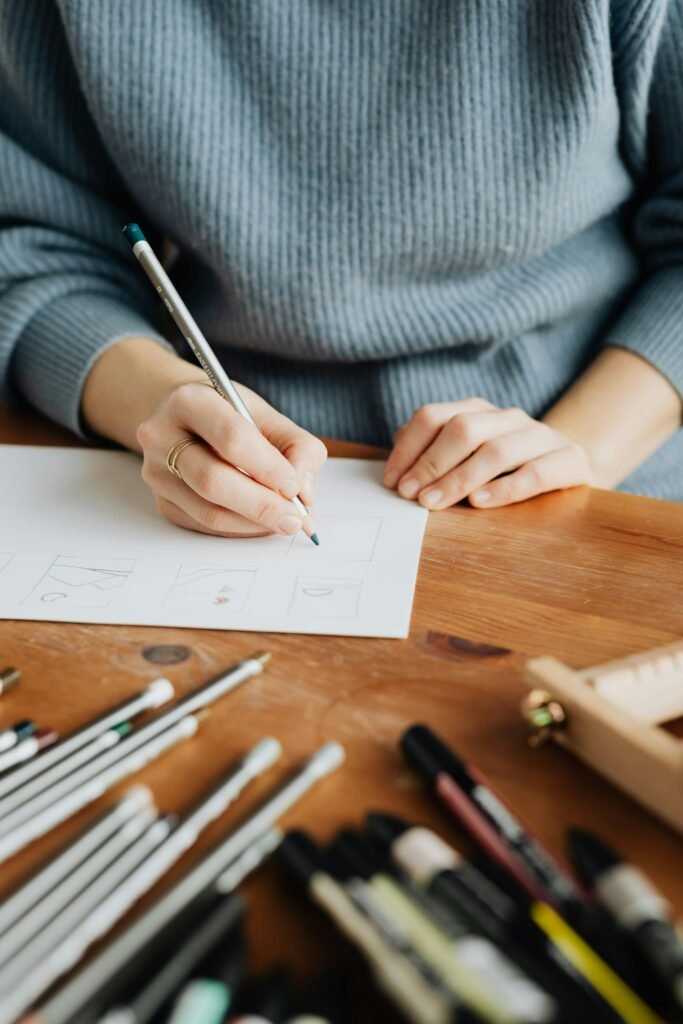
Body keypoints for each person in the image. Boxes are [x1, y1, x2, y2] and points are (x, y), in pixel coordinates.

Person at [0, 1, 681, 542]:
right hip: (209, 488)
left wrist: (580, 447)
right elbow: (37, 252)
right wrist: (161, 405)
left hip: (599, 465)